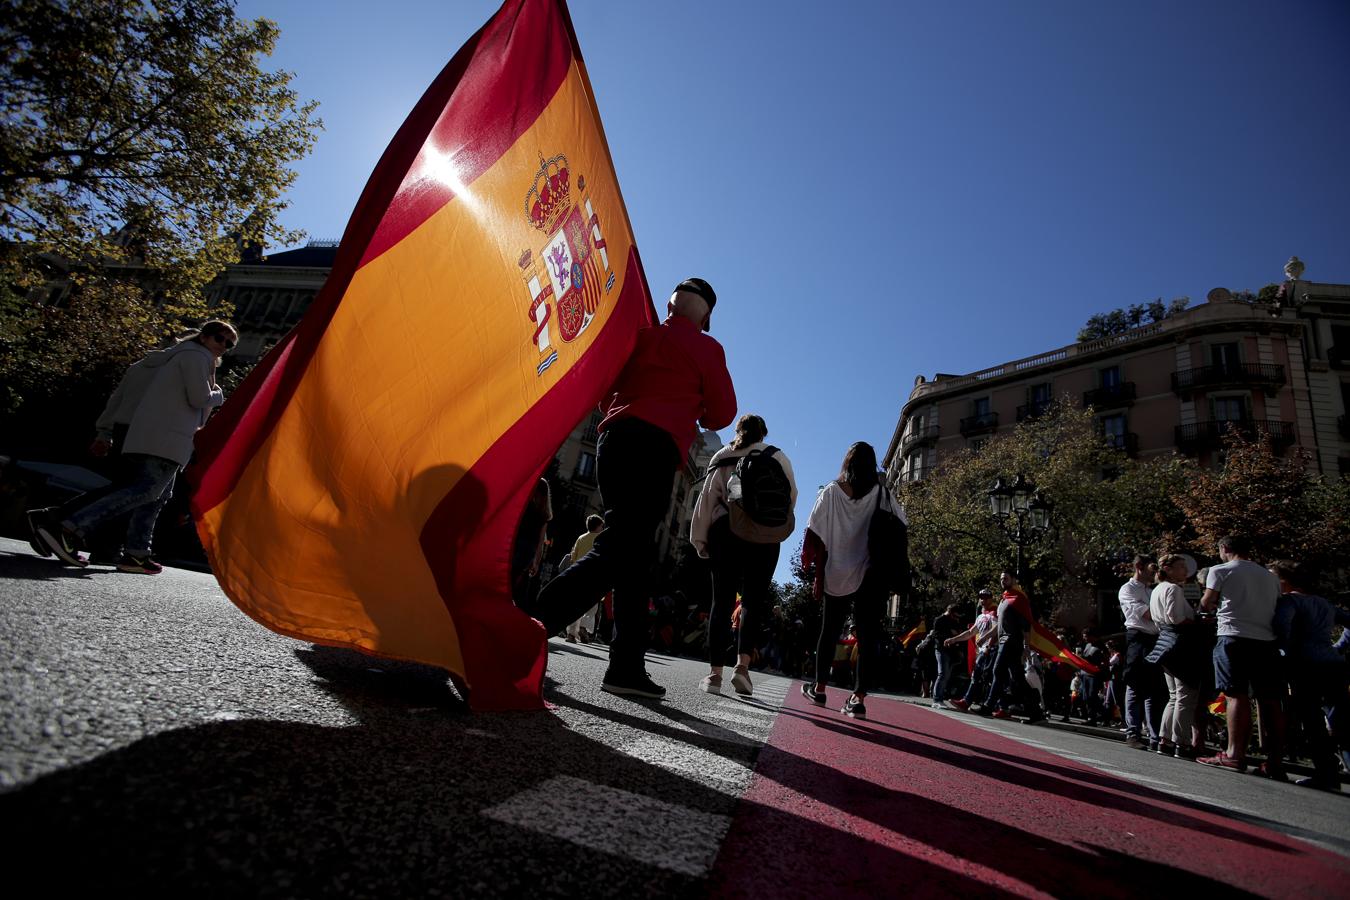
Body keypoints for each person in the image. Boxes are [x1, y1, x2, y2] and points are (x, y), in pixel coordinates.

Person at [528, 278, 735, 699]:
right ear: (707, 317)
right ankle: (527, 626)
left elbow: (605, 396)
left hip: (613, 441)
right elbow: (722, 413)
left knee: (632, 557)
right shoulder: (708, 350)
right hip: (655, 448)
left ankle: (625, 667)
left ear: (669, 305)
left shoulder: (640, 337)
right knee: (620, 549)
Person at [34, 321, 237, 573]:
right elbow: (199, 398)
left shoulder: (162, 359)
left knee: (155, 494)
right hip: (166, 436)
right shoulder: (197, 357)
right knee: (143, 491)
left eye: (230, 344)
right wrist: (219, 395)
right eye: (221, 339)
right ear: (205, 337)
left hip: (140, 429)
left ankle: (135, 552)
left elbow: (120, 395)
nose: (225, 346)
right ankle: (67, 526)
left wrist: (105, 429)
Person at [690, 413, 797, 696]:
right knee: (752, 602)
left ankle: (714, 676)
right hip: (764, 535)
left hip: (726, 532)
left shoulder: (723, 457)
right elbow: (791, 496)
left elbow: (706, 500)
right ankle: (743, 669)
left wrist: (700, 541)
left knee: (722, 602)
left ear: (737, 431)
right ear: (763, 434)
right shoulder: (778, 457)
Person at [799, 441, 904, 718]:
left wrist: (814, 569)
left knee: (829, 631)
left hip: (837, 571)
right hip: (871, 572)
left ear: (847, 463)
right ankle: (857, 698)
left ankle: (820, 687)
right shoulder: (883, 494)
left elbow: (814, 531)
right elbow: (901, 525)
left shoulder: (831, 492)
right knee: (868, 637)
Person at [1197, 535, 1287, 778]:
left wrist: (1207, 607)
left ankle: (1234, 755)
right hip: (1266, 641)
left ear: (1224, 548)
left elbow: (1207, 603)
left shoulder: (1220, 570)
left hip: (1233, 637)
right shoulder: (1270, 577)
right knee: (1269, 700)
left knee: (1236, 695)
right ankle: (1275, 761)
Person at [1269, 560, 1350, 790]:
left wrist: (1284, 649)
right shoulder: (1324, 603)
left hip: (1305, 665)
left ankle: (1326, 772)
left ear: (1283, 581)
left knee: (1311, 719)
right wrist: (1339, 647)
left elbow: (1281, 627)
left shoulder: (1289, 602)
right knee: (1340, 717)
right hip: (1334, 664)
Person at [1150, 554, 1202, 759]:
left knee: (1174, 695)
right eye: (1181, 567)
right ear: (1168, 569)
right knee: (1186, 695)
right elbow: (1176, 617)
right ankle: (1181, 741)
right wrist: (1198, 621)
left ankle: (1165, 739)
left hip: (1164, 642)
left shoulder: (1156, 590)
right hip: (1180, 644)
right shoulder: (1173, 589)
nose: (1185, 571)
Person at [978, 570, 1045, 723]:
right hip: (1003, 641)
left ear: (1014, 580)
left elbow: (1026, 626)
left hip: (1011, 642)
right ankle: (1036, 711)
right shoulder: (1003, 599)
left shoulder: (1019, 599)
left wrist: (1026, 647)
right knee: (1017, 679)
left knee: (997, 671)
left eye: (1006, 578)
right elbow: (999, 625)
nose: (1003, 580)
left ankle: (989, 705)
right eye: (1001, 578)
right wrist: (985, 637)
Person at [1118, 554, 1166, 750]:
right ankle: (1133, 732)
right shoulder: (1128, 589)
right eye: (1151, 567)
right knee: (1135, 685)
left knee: (1155, 689)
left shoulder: (1152, 590)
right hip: (1138, 638)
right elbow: (1147, 614)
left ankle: (1155, 737)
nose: (1155, 571)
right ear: (1139, 566)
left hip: (1156, 638)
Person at [945, 589, 998, 711]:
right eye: (981, 597)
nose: (983, 600)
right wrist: (954, 639)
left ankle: (992, 705)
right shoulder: (980, 616)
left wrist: (989, 647)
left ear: (991, 598)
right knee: (977, 676)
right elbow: (970, 632)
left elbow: (996, 631)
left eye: (986, 597)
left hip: (992, 650)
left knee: (989, 678)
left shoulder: (995, 613)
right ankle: (968, 702)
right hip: (982, 651)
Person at [562, 515, 605, 643]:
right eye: (602, 526)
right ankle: (583, 628)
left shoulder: (581, 538)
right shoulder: (601, 538)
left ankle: (571, 634)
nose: (603, 528)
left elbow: (573, 556)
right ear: (597, 526)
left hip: (578, 575)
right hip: (594, 577)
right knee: (591, 606)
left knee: (574, 605)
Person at [511, 478, 552, 608]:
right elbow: (541, 542)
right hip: (529, 551)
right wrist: (536, 562)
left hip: (517, 545)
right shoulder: (544, 514)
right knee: (516, 579)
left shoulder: (526, 506)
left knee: (509, 577)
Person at [928, 603, 965, 708]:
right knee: (943, 674)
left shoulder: (955, 621)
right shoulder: (939, 620)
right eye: (955, 616)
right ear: (950, 612)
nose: (957, 618)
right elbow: (935, 635)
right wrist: (950, 633)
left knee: (947, 675)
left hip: (953, 651)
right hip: (941, 649)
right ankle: (937, 699)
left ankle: (940, 697)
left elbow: (960, 633)